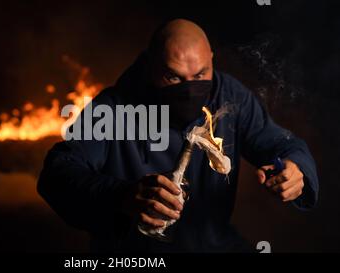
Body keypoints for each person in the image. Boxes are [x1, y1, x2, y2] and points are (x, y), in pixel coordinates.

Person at [37, 19, 319, 252]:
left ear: (211, 59)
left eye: (200, 75)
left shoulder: (229, 96)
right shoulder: (113, 108)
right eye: (173, 78)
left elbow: (281, 143)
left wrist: (295, 168)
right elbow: (58, 173)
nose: (190, 89)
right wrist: (122, 196)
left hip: (212, 245)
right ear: (151, 67)